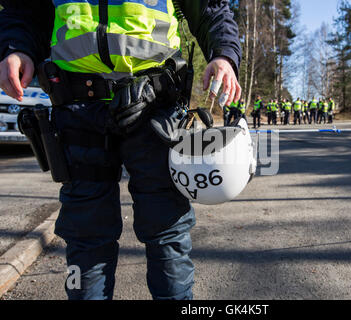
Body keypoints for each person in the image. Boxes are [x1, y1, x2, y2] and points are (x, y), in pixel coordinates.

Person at [0, 0, 241, 300]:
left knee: (166, 228)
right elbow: (23, 10)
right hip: (77, 110)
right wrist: (16, 48)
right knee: (86, 235)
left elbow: (210, 9)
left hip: (156, 107)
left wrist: (224, 55)